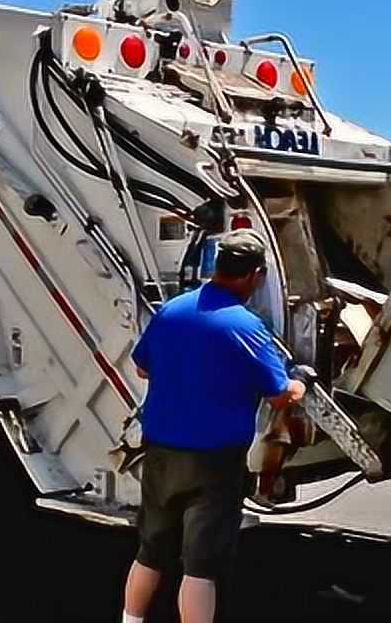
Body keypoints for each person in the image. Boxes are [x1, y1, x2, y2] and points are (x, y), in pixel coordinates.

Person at [121, 229, 307, 623]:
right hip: (214, 463)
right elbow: (278, 395)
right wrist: (299, 383)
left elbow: (141, 365)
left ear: (216, 267)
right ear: (255, 276)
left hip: (161, 452)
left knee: (150, 552)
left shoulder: (171, 311)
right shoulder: (246, 326)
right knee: (200, 567)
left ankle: (131, 620)